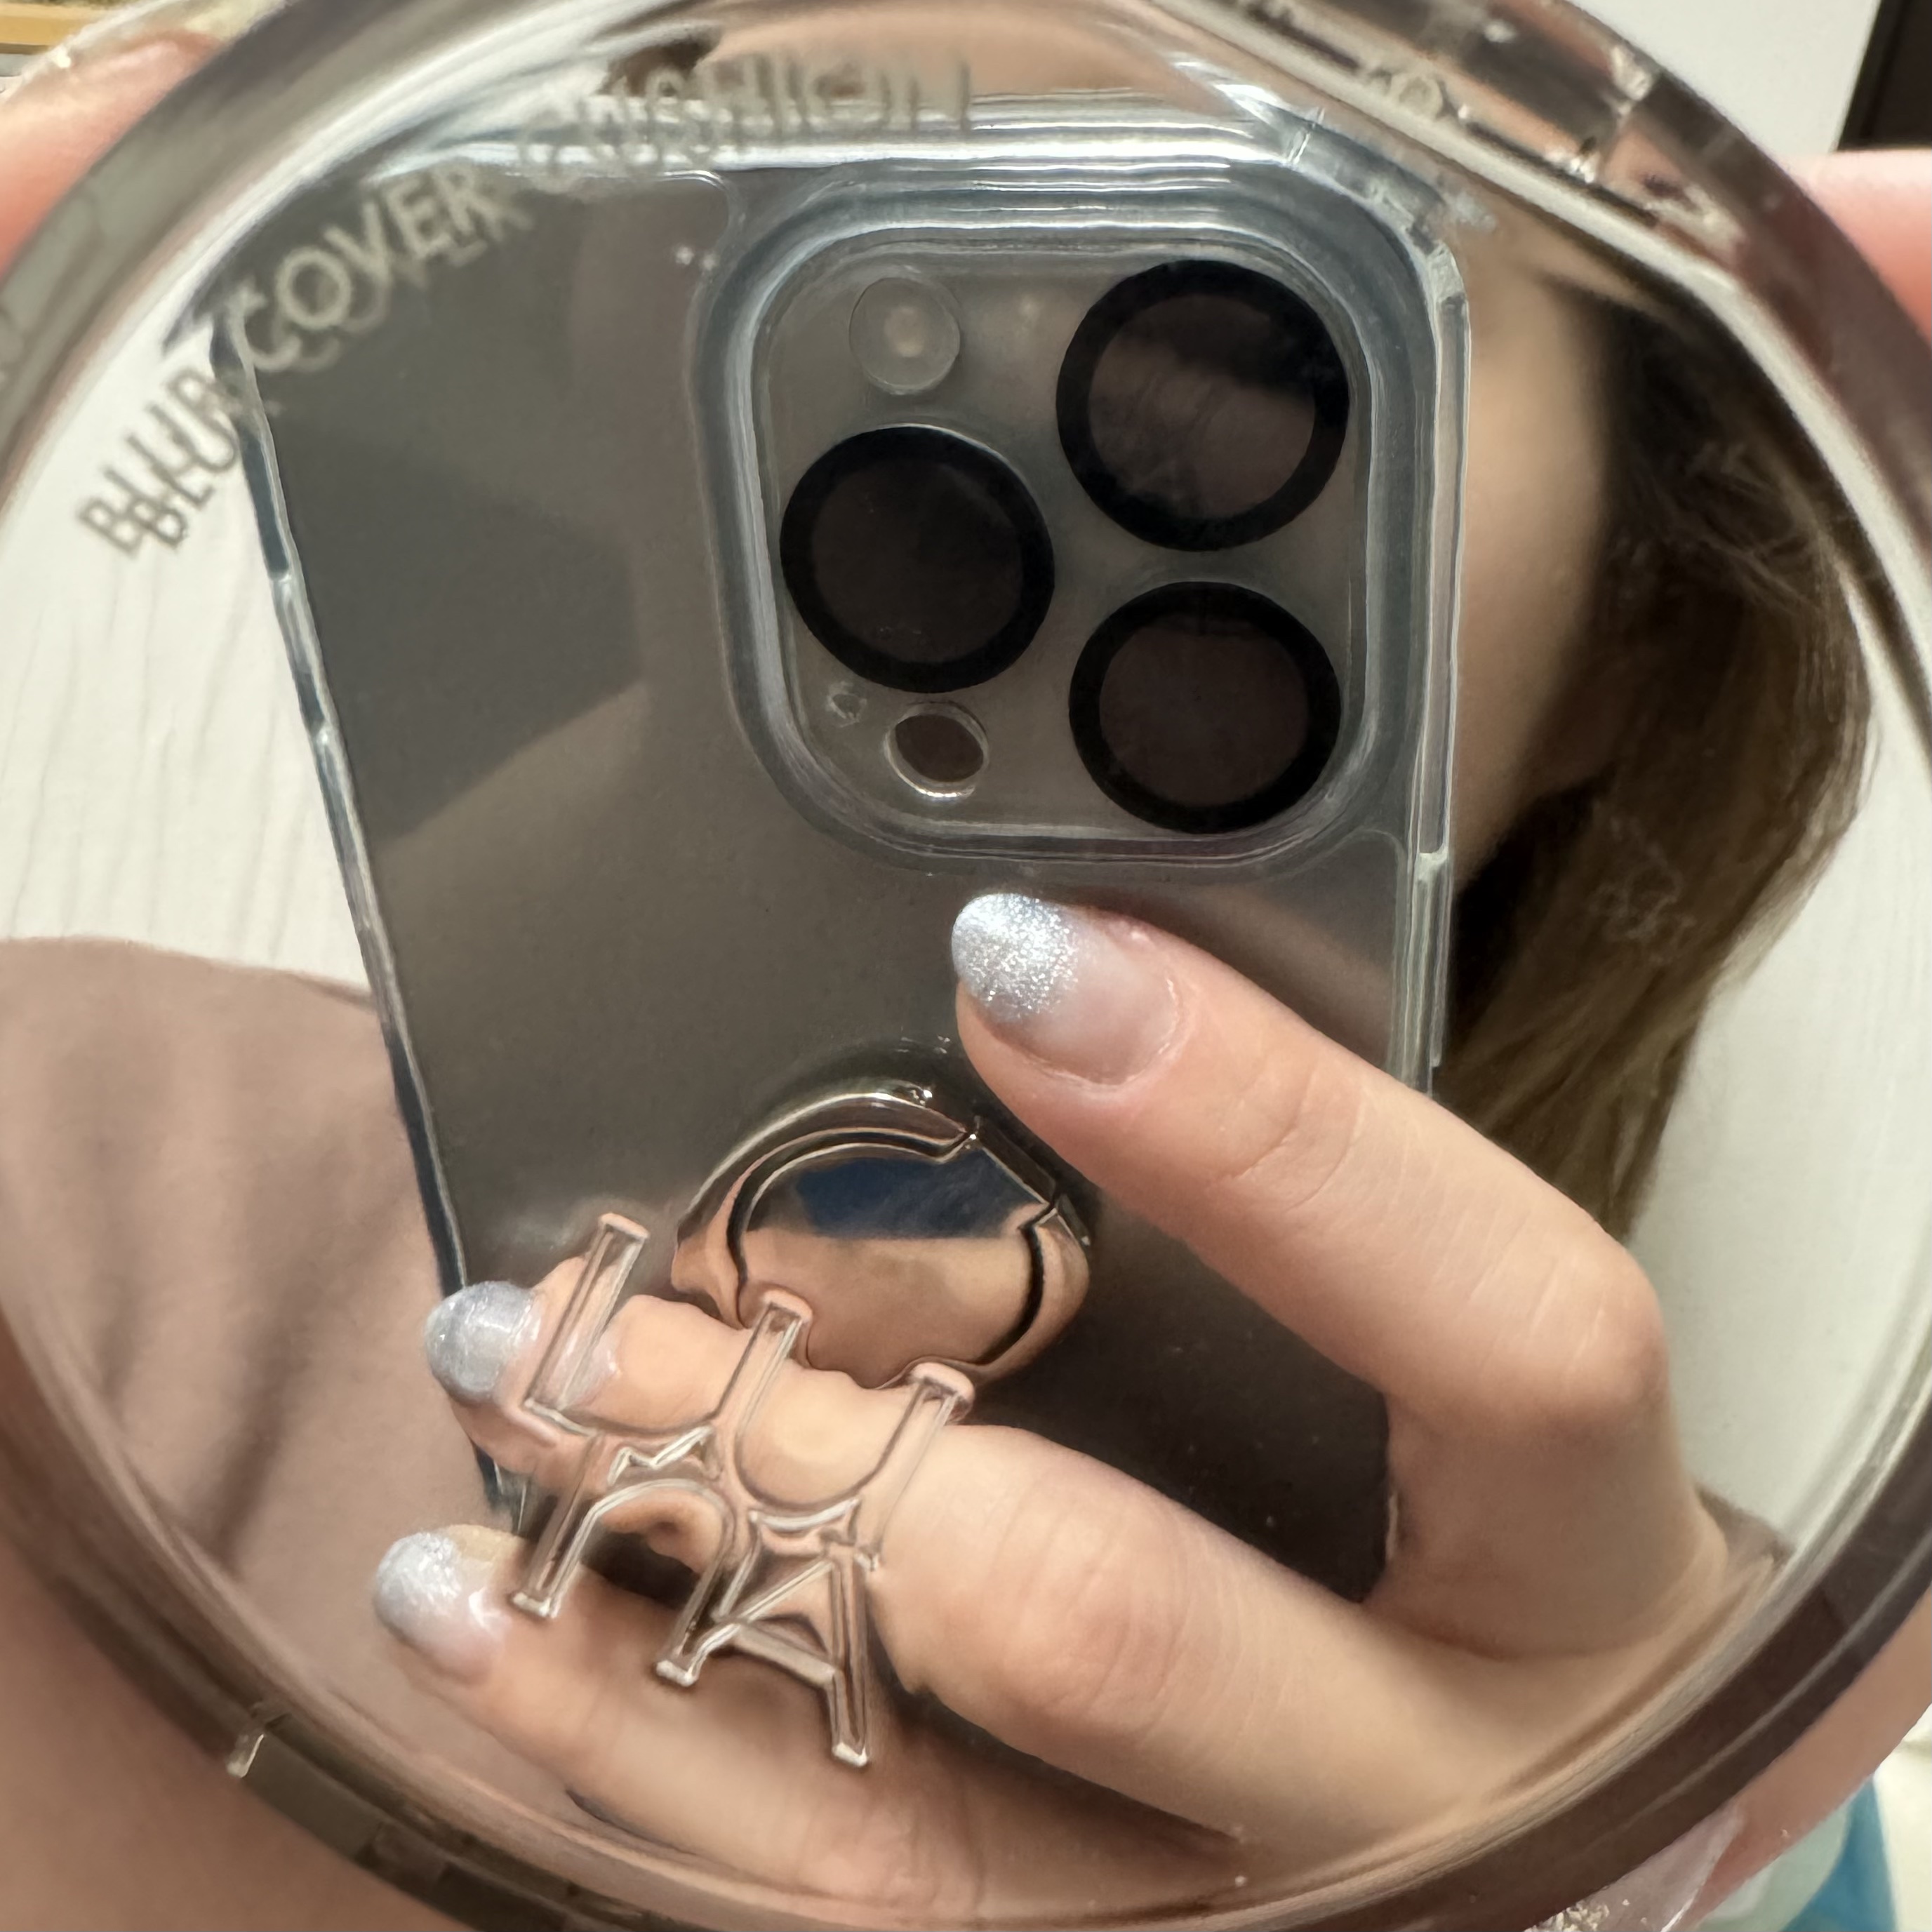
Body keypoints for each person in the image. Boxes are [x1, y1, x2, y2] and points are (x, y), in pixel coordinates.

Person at [0, 12, 1925, 1928]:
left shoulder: (1713, 1754)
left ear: (1626, 635)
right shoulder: (64, 1188)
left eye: (1219, 324)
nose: (973, 399)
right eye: (784, 162)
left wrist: (1639, 1889)